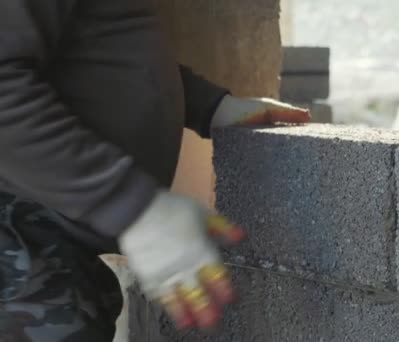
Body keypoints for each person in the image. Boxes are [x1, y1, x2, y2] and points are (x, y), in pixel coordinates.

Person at [0, 1, 310, 340]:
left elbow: (99, 48)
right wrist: (133, 209)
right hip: (17, 239)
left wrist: (210, 106)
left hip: (45, 234)